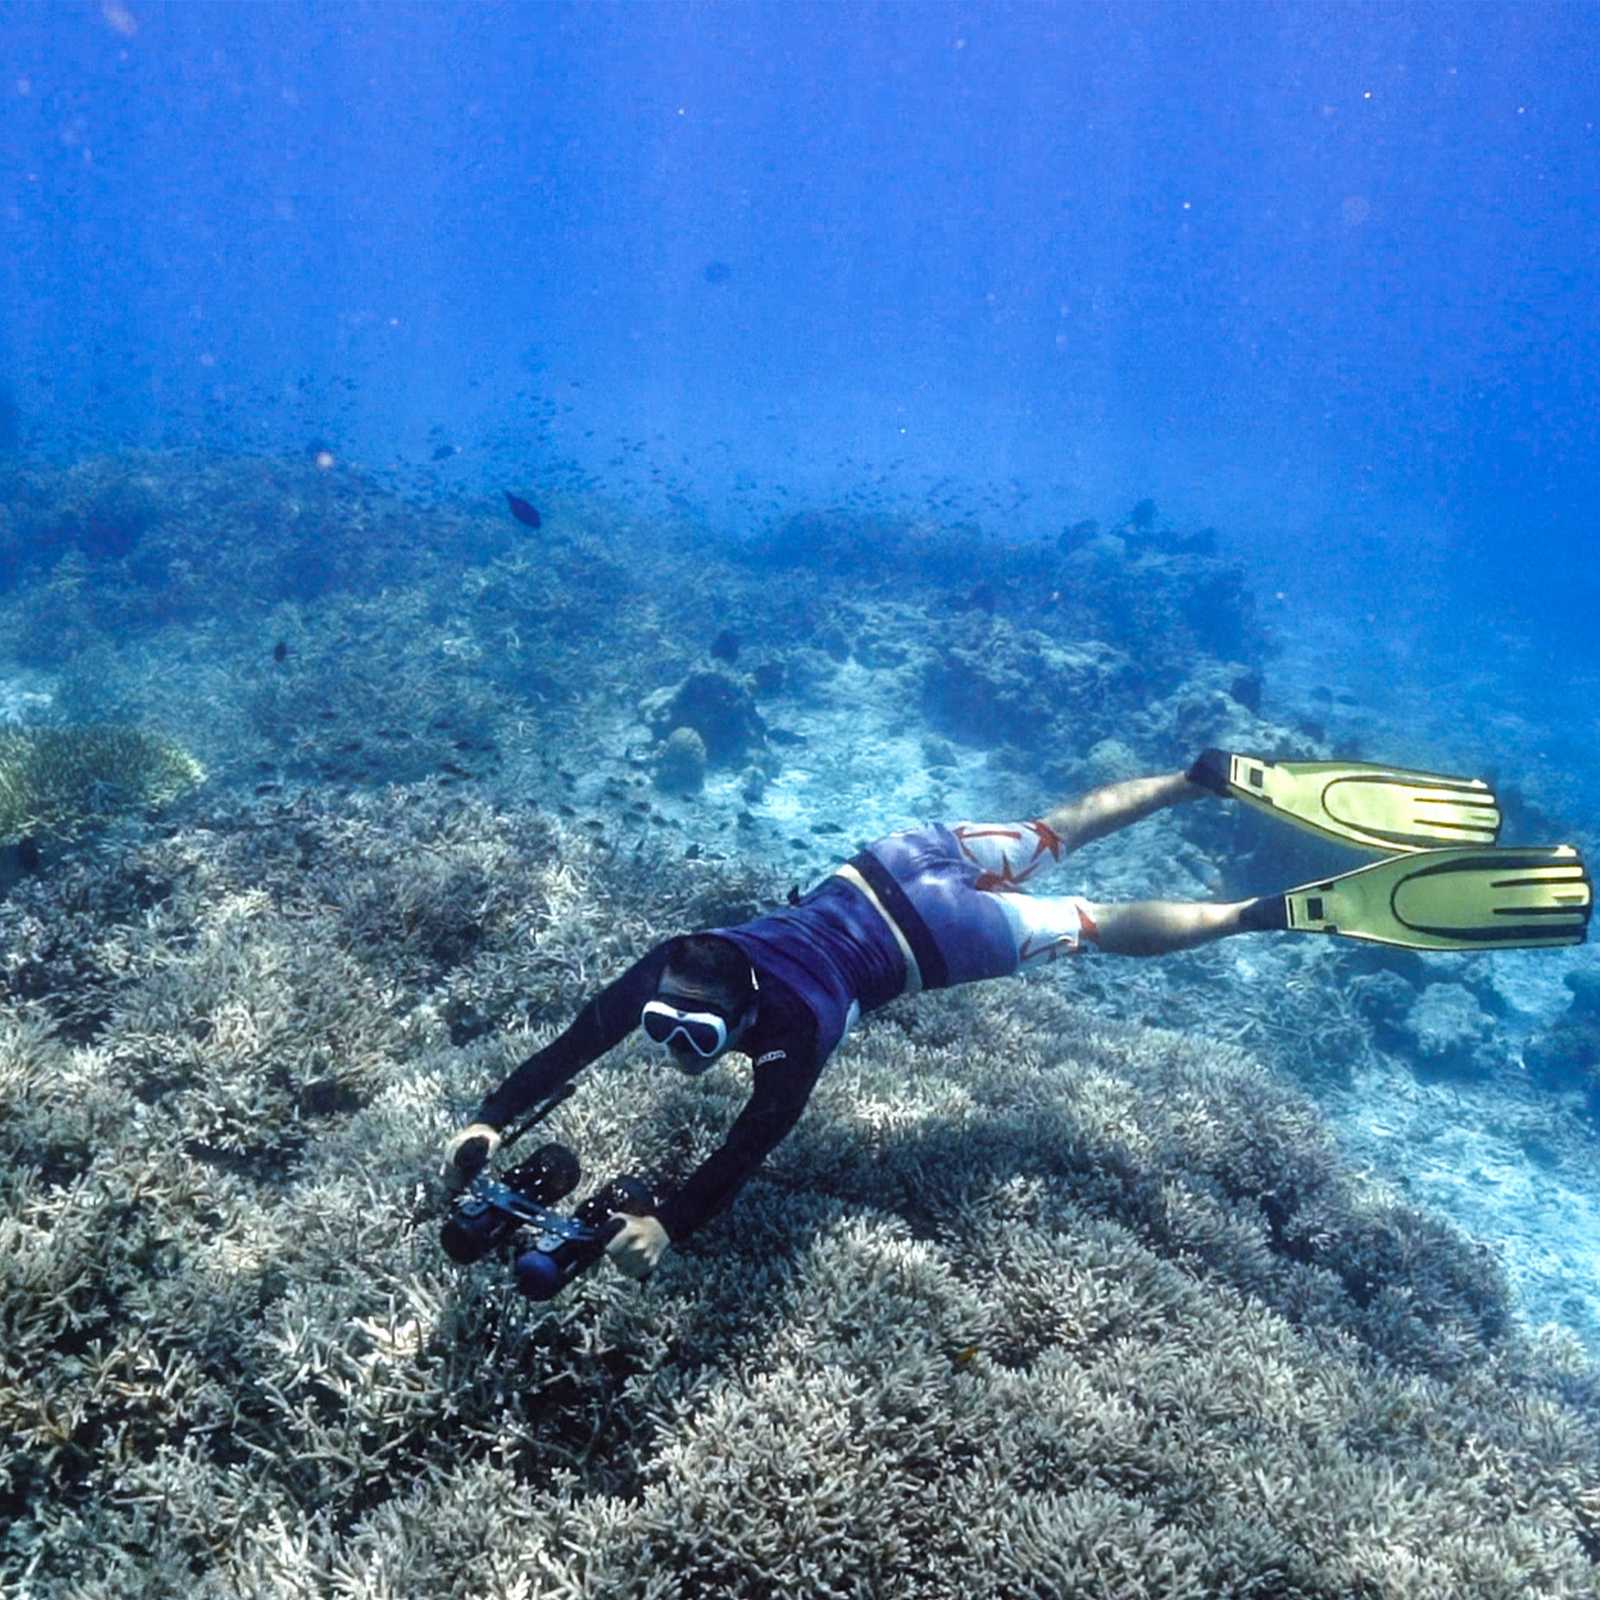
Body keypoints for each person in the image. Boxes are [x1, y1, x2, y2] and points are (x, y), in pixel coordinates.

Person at [441, 750, 1590, 1282]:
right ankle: (1197, 775)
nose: (677, 1052)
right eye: (664, 1031)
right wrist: (493, 1118)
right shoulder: (677, 962)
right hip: (890, 859)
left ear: (740, 1013)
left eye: (697, 1041)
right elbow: (576, 1044)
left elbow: (750, 1144)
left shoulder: (788, 1035)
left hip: (939, 937)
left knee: (1089, 919)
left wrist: (675, 1224)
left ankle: (1259, 912)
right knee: (1052, 832)